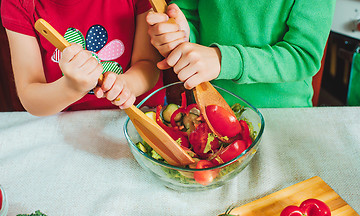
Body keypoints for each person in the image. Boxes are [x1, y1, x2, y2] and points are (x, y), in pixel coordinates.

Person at [146, 0, 336, 107]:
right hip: (207, 108)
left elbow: (303, 55)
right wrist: (180, 35)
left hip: (283, 114)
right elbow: (189, 18)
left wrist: (224, 60)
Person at [1, 0, 164, 116]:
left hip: (141, 113)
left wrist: (125, 85)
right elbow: (31, 97)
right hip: (69, 123)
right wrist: (71, 88)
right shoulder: (18, 3)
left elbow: (148, 63)